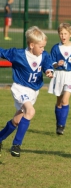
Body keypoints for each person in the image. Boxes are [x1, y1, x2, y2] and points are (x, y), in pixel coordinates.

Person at [0, 26, 53, 157]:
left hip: (33, 91)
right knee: (30, 111)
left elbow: (47, 63)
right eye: (40, 47)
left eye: (44, 46)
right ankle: (16, 145)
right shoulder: (18, 54)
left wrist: (48, 70)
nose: (43, 49)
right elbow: (2, 52)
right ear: (31, 45)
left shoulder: (43, 55)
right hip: (20, 88)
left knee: (17, 120)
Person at [48, 23, 71, 135]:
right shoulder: (55, 48)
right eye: (61, 33)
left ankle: (62, 126)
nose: (63, 36)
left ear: (70, 34)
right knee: (59, 102)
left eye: (65, 33)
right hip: (59, 76)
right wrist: (56, 64)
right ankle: (58, 124)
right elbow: (51, 63)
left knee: (65, 100)